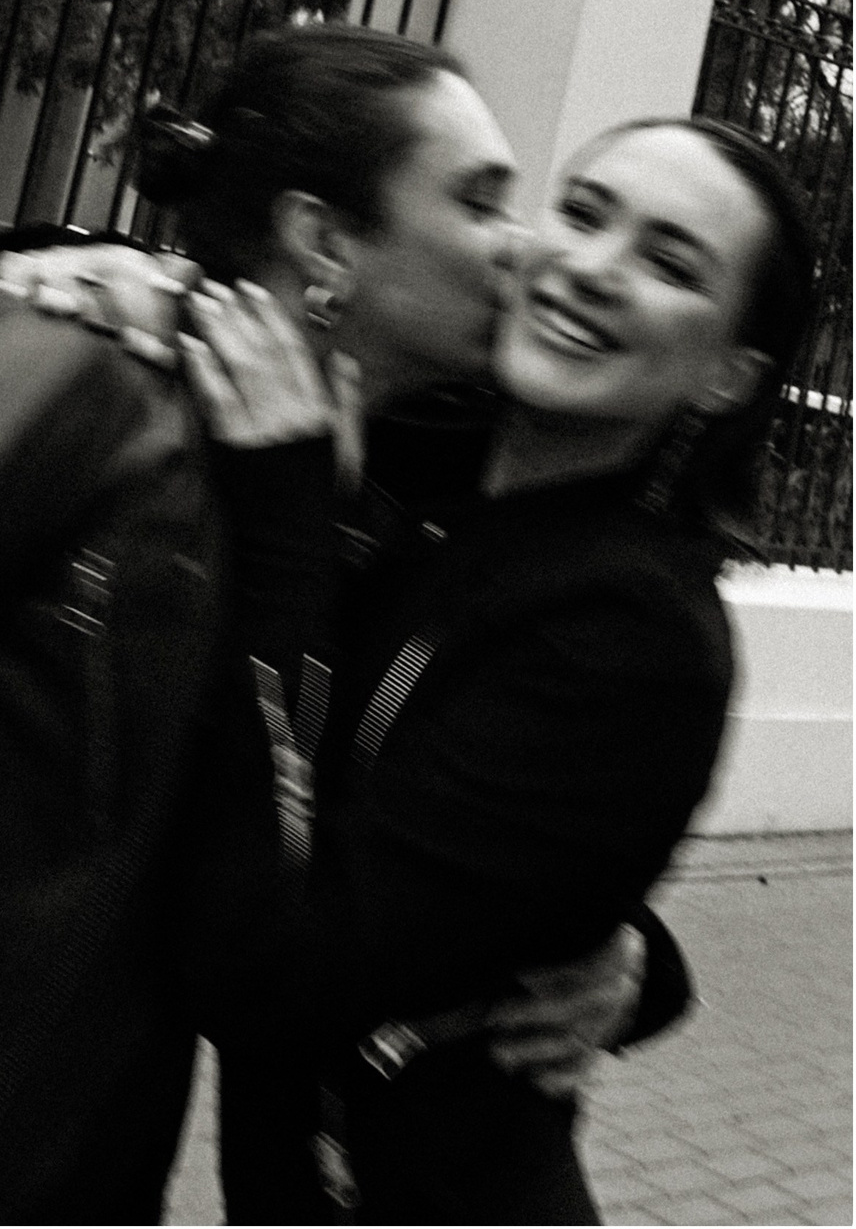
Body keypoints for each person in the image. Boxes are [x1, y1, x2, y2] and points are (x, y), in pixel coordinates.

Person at [0, 26, 667, 1226]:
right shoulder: (60, 370)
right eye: (479, 200)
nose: (526, 247)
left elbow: (393, 813)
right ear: (324, 241)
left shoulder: (351, 505)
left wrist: (613, 941)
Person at [156, 111, 814, 1224]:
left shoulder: (633, 632)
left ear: (724, 377)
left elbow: (281, 977)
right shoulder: (424, 470)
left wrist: (286, 530)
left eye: (668, 264)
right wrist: (109, 280)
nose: (593, 267)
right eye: (583, 213)